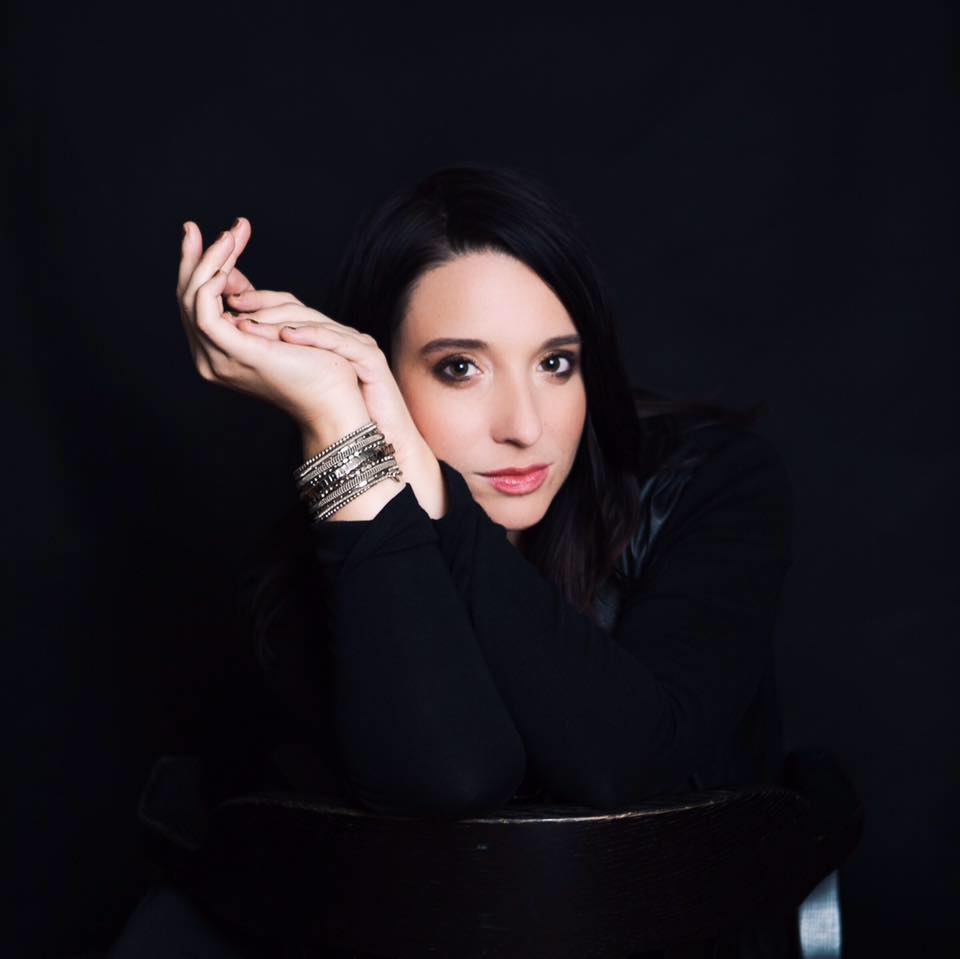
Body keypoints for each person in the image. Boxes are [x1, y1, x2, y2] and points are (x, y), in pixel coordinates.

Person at [106, 162, 794, 956]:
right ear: (383, 380)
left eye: (556, 363)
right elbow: (450, 780)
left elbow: (633, 764)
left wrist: (434, 495)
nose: (524, 426)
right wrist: (340, 428)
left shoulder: (707, 486)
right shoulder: (333, 538)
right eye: (459, 368)